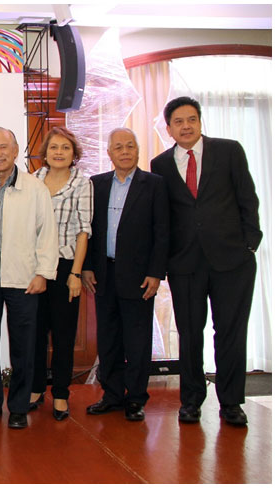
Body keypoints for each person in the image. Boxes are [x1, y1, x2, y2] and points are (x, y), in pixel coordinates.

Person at [150, 97, 261, 426]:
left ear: (200, 122)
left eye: (192, 119)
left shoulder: (229, 151)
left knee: (230, 331)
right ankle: (191, 400)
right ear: (168, 128)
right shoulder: (161, 165)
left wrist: (249, 245)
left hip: (233, 261)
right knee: (189, 334)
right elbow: (164, 218)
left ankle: (231, 402)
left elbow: (248, 198)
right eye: (179, 121)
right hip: (186, 264)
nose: (186, 126)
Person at [0, 127, 58, 429]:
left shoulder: (35, 188)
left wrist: (44, 272)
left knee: (24, 345)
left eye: (3, 147)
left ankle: (19, 405)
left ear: (16, 150)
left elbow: (47, 234)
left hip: (23, 275)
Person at [82, 128, 169, 421]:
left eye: (130, 146)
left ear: (138, 150)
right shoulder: (97, 184)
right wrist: (87, 267)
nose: (124, 151)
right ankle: (113, 395)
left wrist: (156, 273)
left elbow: (162, 232)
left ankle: (136, 398)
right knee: (108, 338)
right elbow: (89, 231)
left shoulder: (154, 184)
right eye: (118, 147)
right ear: (109, 153)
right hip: (104, 271)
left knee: (137, 340)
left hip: (139, 276)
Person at [28, 127, 92, 421]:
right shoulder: (33, 181)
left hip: (66, 266)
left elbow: (83, 231)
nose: (58, 153)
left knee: (64, 334)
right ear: (45, 152)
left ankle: (62, 394)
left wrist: (76, 273)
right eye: (54, 147)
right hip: (37, 266)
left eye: (65, 148)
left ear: (73, 153)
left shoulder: (82, 183)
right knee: (36, 332)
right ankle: (37, 387)